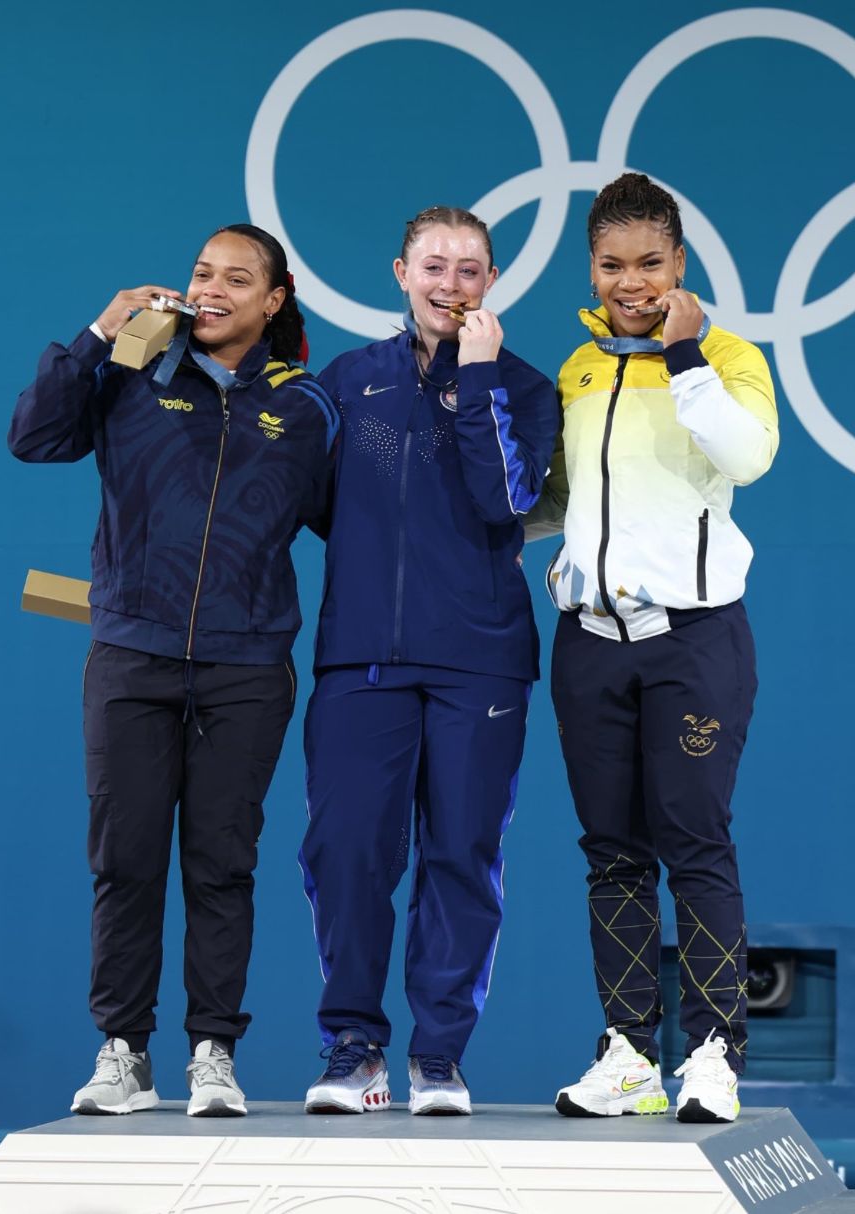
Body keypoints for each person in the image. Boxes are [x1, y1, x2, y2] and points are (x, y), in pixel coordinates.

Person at [8, 224, 338, 1117]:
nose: (214, 289)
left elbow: (361, 526)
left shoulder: (304, 406)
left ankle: (213, 1053)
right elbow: (32, 439)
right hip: (131, 657)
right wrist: (94, 333)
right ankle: (123, 1051)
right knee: (126, 860)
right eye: (203, 273)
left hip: (246, 668)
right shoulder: (129, 371)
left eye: (239, 278)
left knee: (221, 865)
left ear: (273, 301)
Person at [525, 173, 779, 1123]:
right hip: (588, 645)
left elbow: (747, 456)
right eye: (611, 264)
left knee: (694, 843)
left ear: (681, 264)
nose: (630, 281)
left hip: (692, 642)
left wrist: (684, 358)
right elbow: (554, 505)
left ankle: (713, 1049)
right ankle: (630, 1053)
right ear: (589, 267)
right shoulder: (577, 370)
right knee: (610, 854)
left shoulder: (729, 357)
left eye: (649, 262)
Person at [299, 206, 558, 1115]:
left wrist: (478, 377)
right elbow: (318, 505)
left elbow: (503, 502)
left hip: (479, 661)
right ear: (400, 272)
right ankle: (354, 1051)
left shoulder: (522, 386)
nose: (451, 284)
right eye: (434, 266)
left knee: (461, 854)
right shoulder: (347, 381)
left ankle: (438, 1058)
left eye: (471, 270)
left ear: (491, 282)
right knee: (345, 853)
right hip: (361, 658)